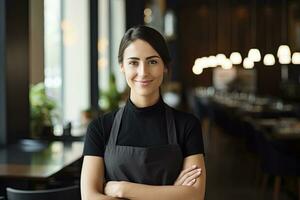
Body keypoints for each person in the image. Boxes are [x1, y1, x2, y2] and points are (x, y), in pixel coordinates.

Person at [81, 25, 206, 200]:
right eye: (133, 62)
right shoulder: (100, 128)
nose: (143, 72)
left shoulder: (187, 125)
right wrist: (172, 193)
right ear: (122, 66)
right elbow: (89, 197)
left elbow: (194, 195)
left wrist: (122, 189)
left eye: (153, 61)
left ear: (165, 67)